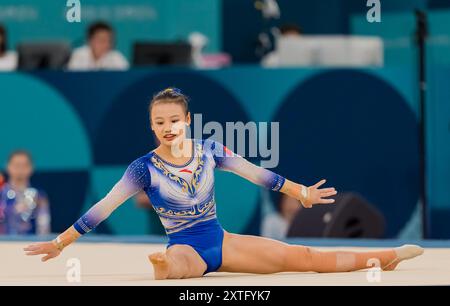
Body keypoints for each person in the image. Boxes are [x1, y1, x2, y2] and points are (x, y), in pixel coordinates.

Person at [24, 88, 423, 279]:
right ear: (151, 125)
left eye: (173, 120)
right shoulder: (141, 169)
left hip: (223, 240)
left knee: (303, 257)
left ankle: (383, 257)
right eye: (158, 122)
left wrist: (299, 192)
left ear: (187, 121)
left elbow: (259, 174)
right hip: (184, 244)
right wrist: (60, 243)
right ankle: (165, 268)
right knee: (179, 266)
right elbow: (102, 209)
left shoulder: (210, 150)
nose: (167, 127)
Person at [1, 151, 50, 235]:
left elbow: (44, 226)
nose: (20, 169)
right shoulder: (1, 193)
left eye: (24, 165)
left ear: (31, 168)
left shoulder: (39, 196)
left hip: (29, 244)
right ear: (8, 166)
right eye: (16, 165)